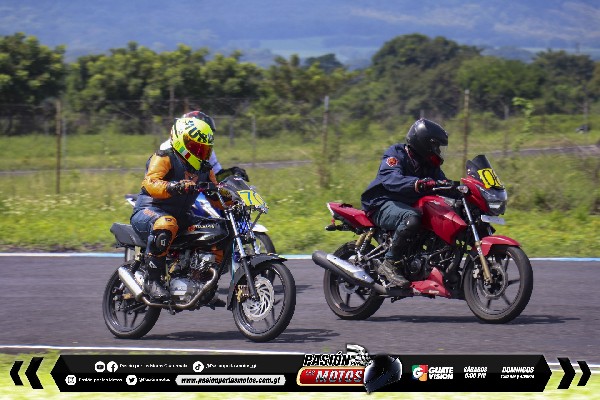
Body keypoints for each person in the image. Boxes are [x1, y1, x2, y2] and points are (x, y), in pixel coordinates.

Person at [130, 116, 217, 300]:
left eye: (204, 149)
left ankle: (199, 280)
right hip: (150, 211)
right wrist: (173, 186)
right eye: (196, 148)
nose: (200, 153)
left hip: (181, 216)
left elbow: (216, 194)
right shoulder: (165, 157)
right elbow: (150, 183)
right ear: (181, 141)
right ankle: (153, 281)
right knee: (166, 223)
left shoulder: (204, 169)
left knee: (215, 229)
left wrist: (234, 199)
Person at [360, 118, 449, 288]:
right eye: (435, 145)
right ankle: (389, 263)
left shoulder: (429, 165)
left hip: (406, 204)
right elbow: (391, 178)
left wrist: (461, 189)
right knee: (411, 218)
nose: (438, 150)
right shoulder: (396, 154)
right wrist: (417, 183)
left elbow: (442, 183)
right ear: (423, 143)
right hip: (381, 202)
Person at [181, 111, 249, 182]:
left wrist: (231, 172)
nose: (206, 136)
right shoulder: (173, 150)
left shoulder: (206, 149)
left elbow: (217, 175)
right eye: (201, 132)